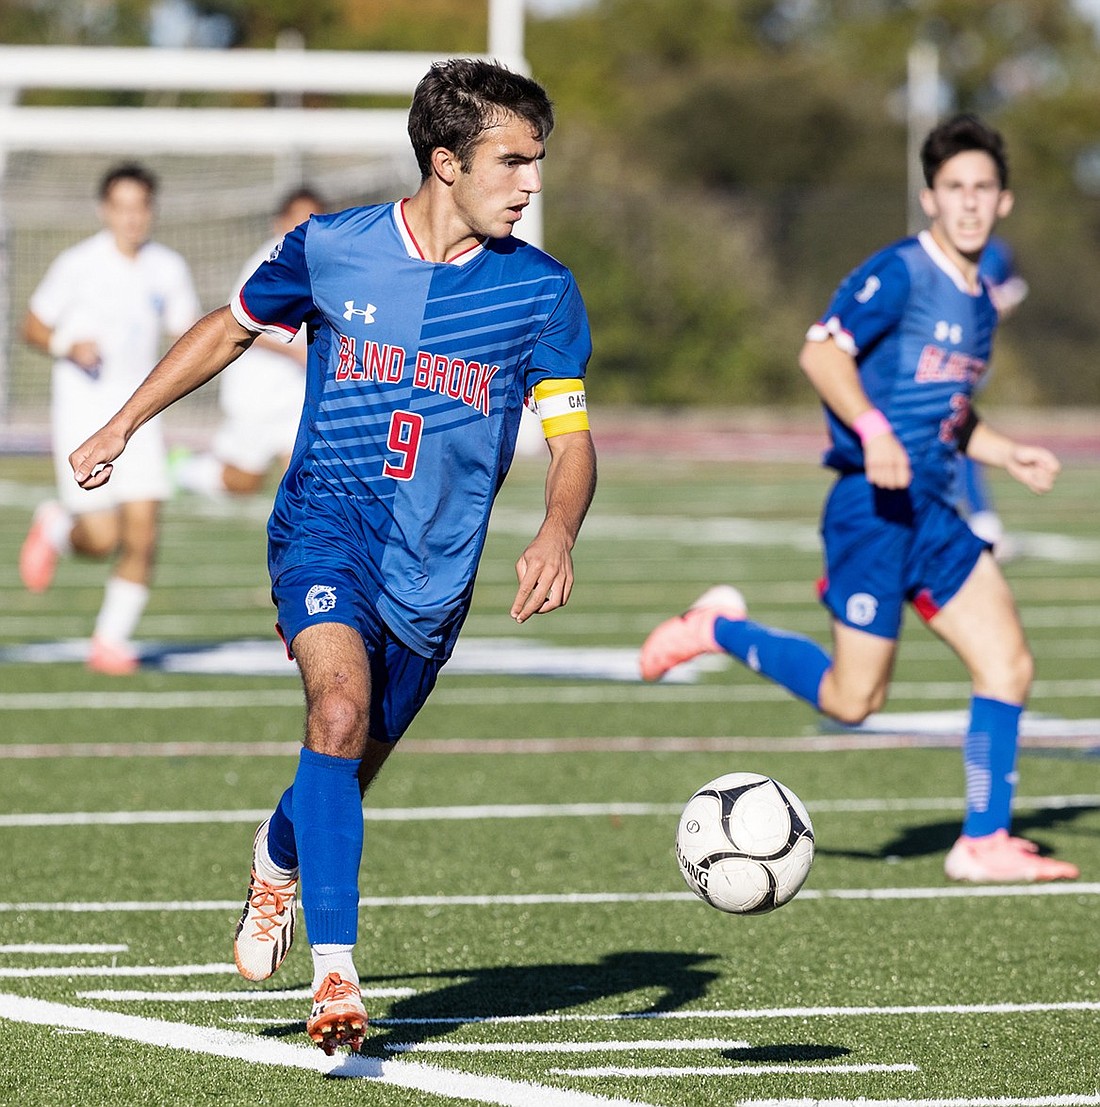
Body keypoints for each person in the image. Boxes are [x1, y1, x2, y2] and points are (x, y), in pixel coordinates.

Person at [68, 59, 597, 1053]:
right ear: (445, 163)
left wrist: (556, 528)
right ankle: (336, 976)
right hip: (325, 528)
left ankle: (277, 857)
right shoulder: (331, 249)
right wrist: (122, 425)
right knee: (337, 710)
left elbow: (569, 438)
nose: (530, 184)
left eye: (537, 162)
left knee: (343, 765)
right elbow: (229, 330)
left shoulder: (540, 293)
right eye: (511, 162)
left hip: (434, 572)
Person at [640, 113, 1077, 885]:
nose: (969, 202)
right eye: (954, 189)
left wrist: (1007, 452)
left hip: (933, 512)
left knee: (1007, 661)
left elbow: (948, 410)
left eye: (983, 188)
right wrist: (872, 430)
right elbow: (819, 352)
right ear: (929, 197)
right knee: (852, 700)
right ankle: (719, 626)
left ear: (1004, 200)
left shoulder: (979, 300)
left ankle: (982, 840)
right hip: (869, 511)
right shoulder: (901, 272)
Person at [18, 162, 201, 675]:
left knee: (143, 533)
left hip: (139, 418)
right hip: (82, 416)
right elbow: (32, 324)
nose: (131, 218)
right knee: (101, 539)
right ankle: (56, 527)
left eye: (140, 207)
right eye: (121, 208)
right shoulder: (78, 264)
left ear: (151, 210)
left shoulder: (167, 267)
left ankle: (109, 641)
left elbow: (188, 333)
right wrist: (65, 345)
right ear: (105, 211)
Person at [171, 187, 327, 497]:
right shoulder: (271, 263)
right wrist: (294, 353)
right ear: (279, 223)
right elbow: (237, 326)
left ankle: (300, 542)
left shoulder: (322, 264)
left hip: (294, 392)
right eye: (299, 220)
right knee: (243, 481)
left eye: (315, 219)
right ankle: (184, 469)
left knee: (302, 478)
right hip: (257, 391)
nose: (307, 227)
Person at [957, 235, 1030, 558]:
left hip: (970, 353)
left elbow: (1014, 287)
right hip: (935, 358)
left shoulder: (999, 251)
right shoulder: (926, 253)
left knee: (957, 431)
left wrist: (1000, 301)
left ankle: (981, 522)